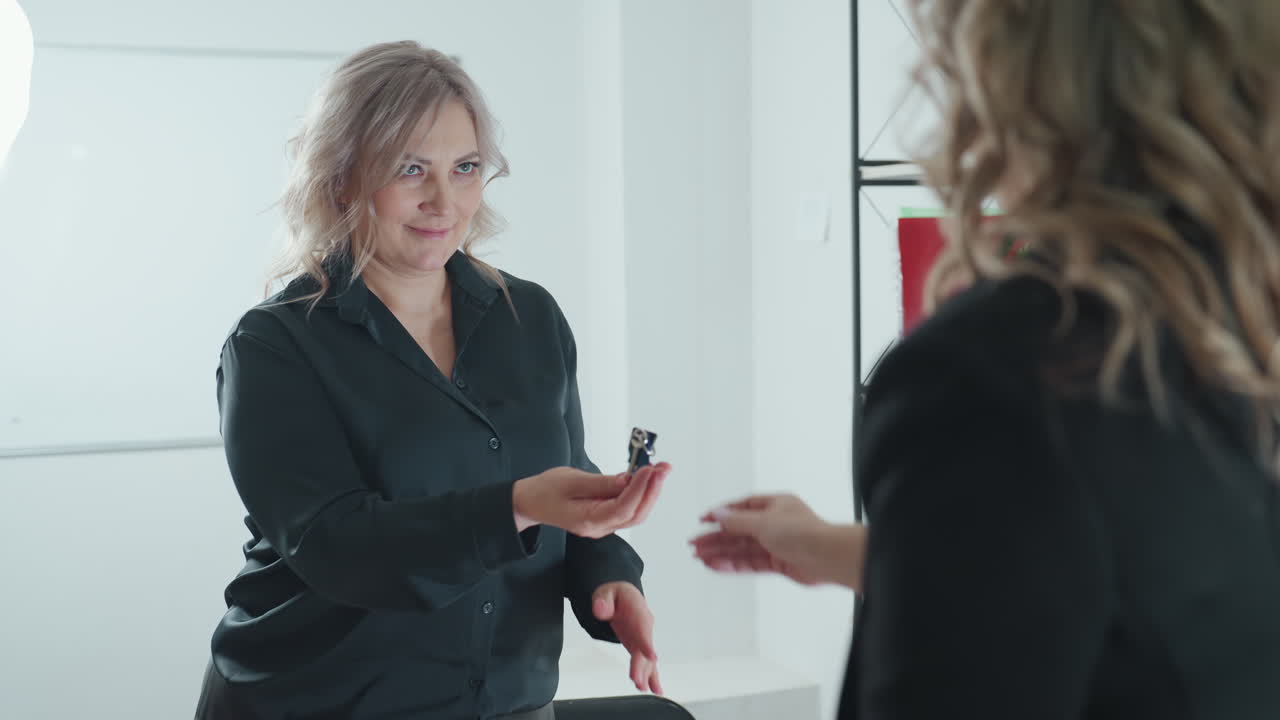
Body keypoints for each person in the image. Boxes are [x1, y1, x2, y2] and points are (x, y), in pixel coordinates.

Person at [694, 0, 1280, 717]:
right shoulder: (1239, 322)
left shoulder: (987, 377)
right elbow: (1149, 591)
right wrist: (845, 550)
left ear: (1011, 76)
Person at [195, 41, 672, 720]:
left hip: (505, 704)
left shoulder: (529, 316)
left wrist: (612, 579)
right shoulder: (275, 345)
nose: (443, 200)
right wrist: (518, 504)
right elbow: (337, 546)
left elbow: (566, 478)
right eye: (410, 169)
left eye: (466, 167)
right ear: (340, 177)